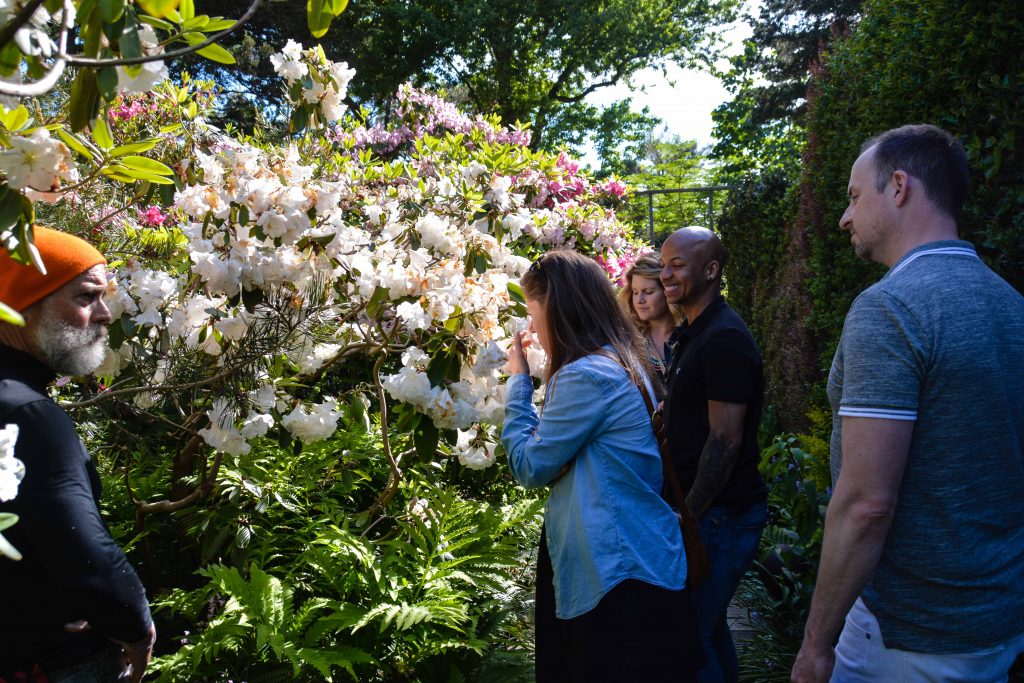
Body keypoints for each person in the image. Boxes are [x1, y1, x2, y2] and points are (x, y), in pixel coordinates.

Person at [791, 124, 1024, 682]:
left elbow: (868, 503)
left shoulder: (890, 309)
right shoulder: (1011, 303)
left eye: (852, 197)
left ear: (898, 187)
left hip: (904, 640)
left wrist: (816, 646)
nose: (845, 218)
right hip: (997, 625)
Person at [502, 249, 702, 682]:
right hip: (644, 555)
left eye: (534, 315)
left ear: (557, 310)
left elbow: (531, 466)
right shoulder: (626, 360)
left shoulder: (585, 376)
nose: (533, 328)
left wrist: (518, 382)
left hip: (614, 571)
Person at [0, 227, 155, 682]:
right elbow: (88, 559)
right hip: (52, 663)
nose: (106, 314)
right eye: (88, 297)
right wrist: (136, 628)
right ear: (22, 304)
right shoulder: (26, 411)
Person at [659, 226, 768, 683]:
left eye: (677, 265)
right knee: (710, 627)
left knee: (691, 637)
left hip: (721, 514)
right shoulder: (695, 332)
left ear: (711, 270)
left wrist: (691, 516)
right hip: (710, 514)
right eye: (663, 264)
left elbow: (725, 441)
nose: (665, 274)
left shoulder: (724, 338)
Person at [618, 252, 681, 382]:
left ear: (667, 291)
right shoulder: (628, 338)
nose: (639, 300)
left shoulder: (688, 334)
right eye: (635, 292)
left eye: (648, 292)